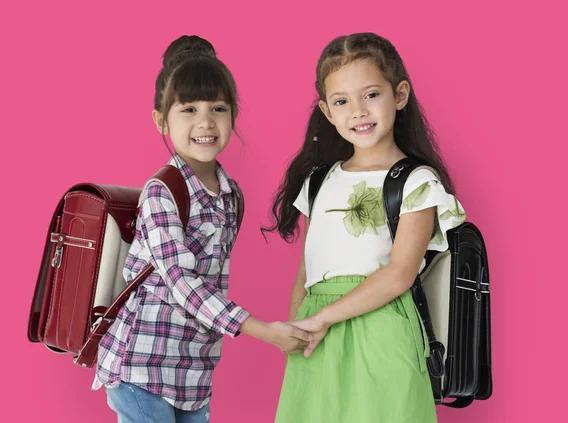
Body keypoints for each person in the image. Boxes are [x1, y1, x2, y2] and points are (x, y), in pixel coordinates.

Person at [92, 35, 311, 423]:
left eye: (218, 108)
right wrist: (265, 331)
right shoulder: (162, 191)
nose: (205, 122)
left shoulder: (231, 196)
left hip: (192, 374)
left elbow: (213, 283)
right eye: (189, 109)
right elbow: (184, 283)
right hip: (142, 364)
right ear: (161, 119)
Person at [264, 32, 467, 422]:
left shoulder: (417, 181)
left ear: (400, 95)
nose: (357, 111)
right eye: (342, 101)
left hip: (382, 328)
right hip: (317, 332)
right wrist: (298, 326)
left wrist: (320, 319)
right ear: (327, 111)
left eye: (371, 95)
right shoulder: (319, 181)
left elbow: (399, 275)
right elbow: (306, 270)